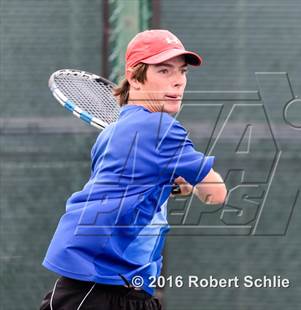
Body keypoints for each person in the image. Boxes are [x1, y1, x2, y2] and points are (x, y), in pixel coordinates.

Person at [39, 29, 227, 310]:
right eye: (164, 71)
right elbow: (216, 194)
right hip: (100, 290)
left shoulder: (113, 132)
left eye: (182, 72)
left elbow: (127, 187)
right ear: (134, 77)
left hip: (109, 289)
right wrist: (197, 184)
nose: (178, 81)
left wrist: (173, 184)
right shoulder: (160, 128)